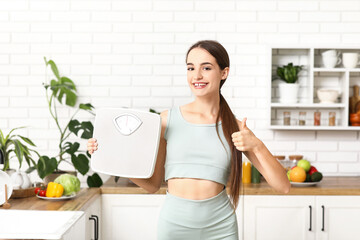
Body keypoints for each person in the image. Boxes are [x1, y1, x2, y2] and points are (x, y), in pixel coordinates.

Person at [87, 40, 290, 240]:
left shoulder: (236, 128)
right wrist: (108, 156)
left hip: (221, 227)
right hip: (174, 226)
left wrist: (257, 145)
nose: (197, 76)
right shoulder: (166, 121)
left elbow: (283, 186)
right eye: (191, 68)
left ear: (224, 73)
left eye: (206, 68)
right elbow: (152, 184)